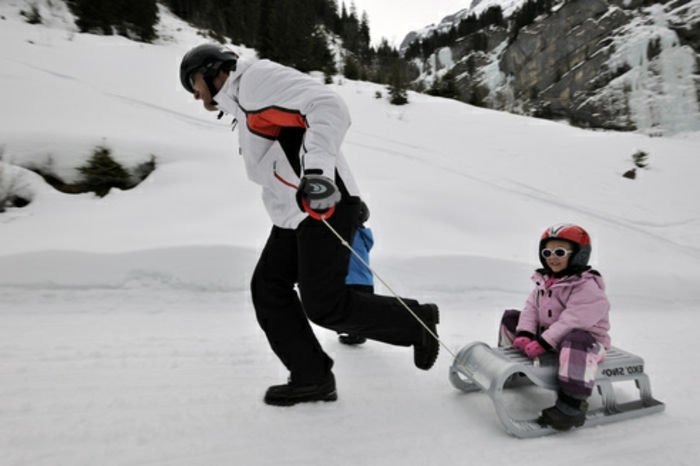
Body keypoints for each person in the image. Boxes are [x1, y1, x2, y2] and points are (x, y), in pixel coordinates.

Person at [179, 44, 440, 406]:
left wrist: (317, 173)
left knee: (325, 305)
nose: (194, 94)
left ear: (212, 70)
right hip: (293, 215)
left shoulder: (255, 80)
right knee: (269, 288)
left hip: (323, 201)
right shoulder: (242, 104)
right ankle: (312, 376)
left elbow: (328, 106)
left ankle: (417, 322)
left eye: (193, 82)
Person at [497, 224, 610, 431]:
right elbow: (531, 308)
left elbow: (572, 320)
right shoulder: (545, 281)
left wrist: (543, 341)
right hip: (552, 340)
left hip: (586, 345)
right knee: (512, 317)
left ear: (578, 255)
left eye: (560, 252)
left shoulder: (586, 286)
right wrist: (525, 334)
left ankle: (571, 407)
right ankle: (515, 371)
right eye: (547, 252)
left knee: (575, 340)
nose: (552, 257)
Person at [339, 200, 374, 345]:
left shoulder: (350, 234)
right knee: (359, 308)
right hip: (364, 280)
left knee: (352, 308)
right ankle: (356, 332)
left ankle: (357, 333)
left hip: (353, 279)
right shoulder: (362, 235)